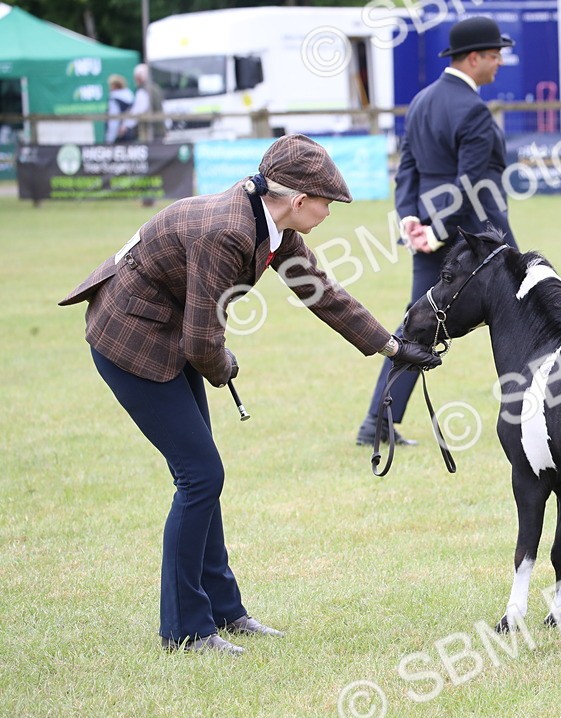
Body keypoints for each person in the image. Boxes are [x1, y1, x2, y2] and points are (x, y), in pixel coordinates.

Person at [59, 134, 442, 655]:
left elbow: (322, 293)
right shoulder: (230, 232)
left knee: (201, 475)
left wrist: (392, 347)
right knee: (201, 475)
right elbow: (200, 340)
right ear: (299, 199)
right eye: (328, 203)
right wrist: (224, 366)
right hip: (132, 339)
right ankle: (186, 630)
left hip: (169, 335)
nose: (331, 212)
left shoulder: (271, 225)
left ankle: (225, 611)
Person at [355, 16, 519, 447]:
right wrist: (439, 227)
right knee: (527, 307)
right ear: (474, 58)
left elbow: (406, 169)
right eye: (495, 55)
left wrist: (411, 218)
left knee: (419, 322)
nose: (500, 62)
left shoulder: (422, 101)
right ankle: (546, 403)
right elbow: (469, 182)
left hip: (429, 230)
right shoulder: (474, 111)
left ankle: (378, 420)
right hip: (476, 236)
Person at [131, 63, 166, 143]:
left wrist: (125, 126)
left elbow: (137, 111)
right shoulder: (156, 88)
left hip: (149, 132)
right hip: (160, 130)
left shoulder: (143, 91)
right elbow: (163, 107)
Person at [105, 75, 135, 144]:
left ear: (114, 86)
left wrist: (110, 139)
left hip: (119, 136)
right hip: (131, 134)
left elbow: (113, 120)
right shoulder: (130, 96)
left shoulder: (114, 99)